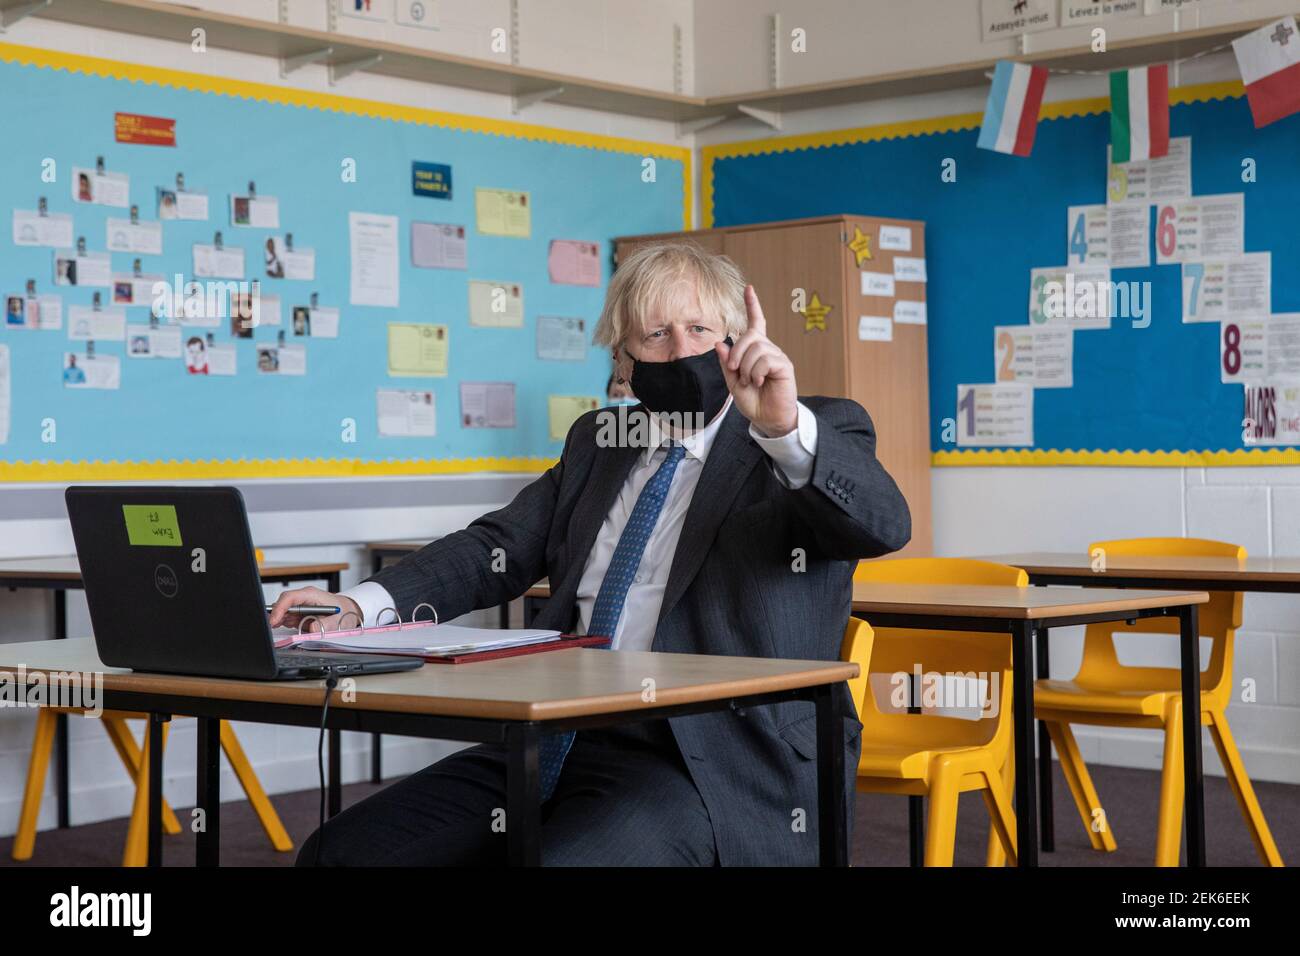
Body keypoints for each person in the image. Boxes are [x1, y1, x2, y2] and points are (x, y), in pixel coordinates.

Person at [271, 240, 911, 866]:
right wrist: (360, 604)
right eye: (654, 335)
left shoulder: (808, 429)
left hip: (706, 757)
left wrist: (782, 430)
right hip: (555, 731)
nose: (680, 349)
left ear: (737, 341)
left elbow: (883, 526)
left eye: (699, 329)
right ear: (624, 358)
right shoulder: (599, 441)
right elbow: (497, 546)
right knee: (339, 851)